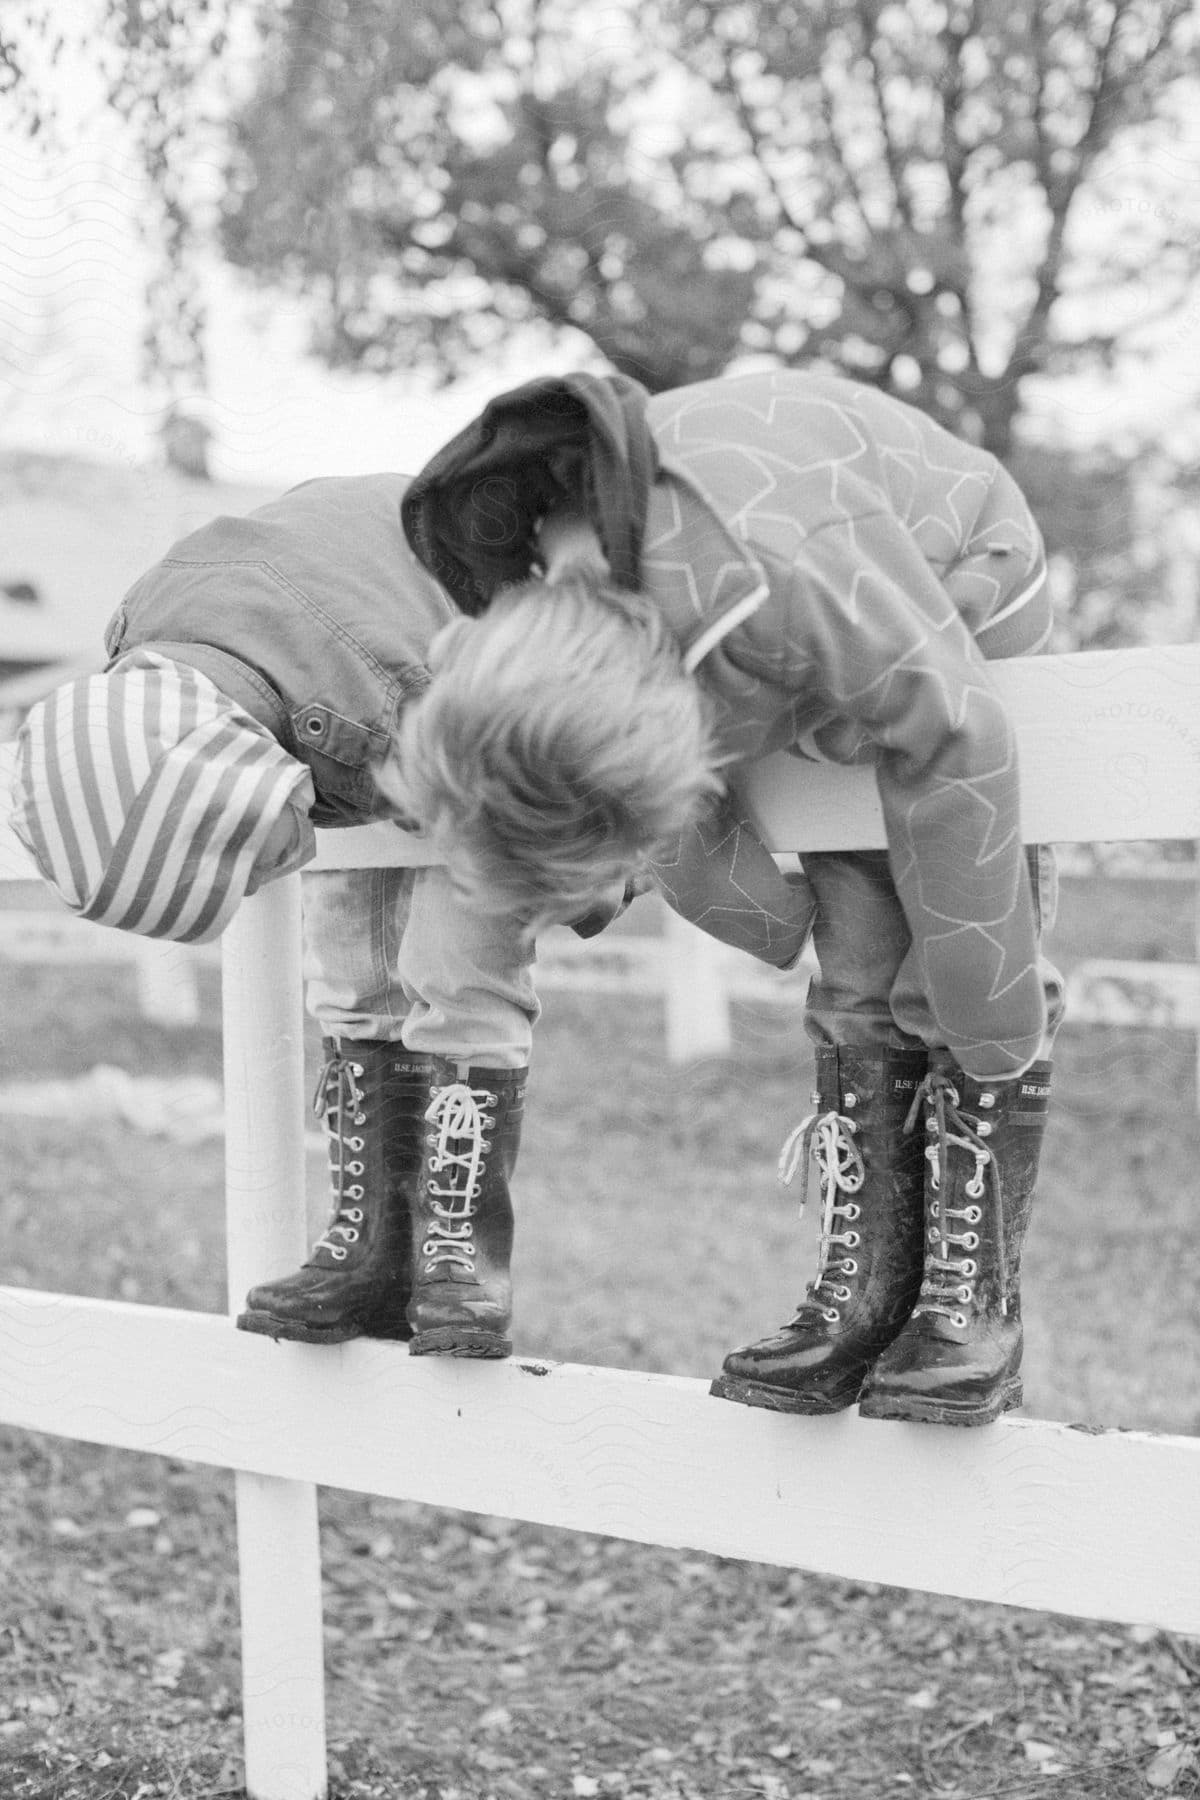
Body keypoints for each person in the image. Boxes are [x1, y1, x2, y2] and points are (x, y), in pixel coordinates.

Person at [390, 365, 1064, 1427]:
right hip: (769, 630)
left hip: (951, 566)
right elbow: (669, 801)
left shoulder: (780, 571)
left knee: (951, 946)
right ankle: (870, 1292)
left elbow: (956, 737)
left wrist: (993, 1019)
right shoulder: (559, 622)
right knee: (855, 932)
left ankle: (969, 1298)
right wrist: (773, 920)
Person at [5, 471, 675, 1360]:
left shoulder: (399, 700)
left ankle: (458, 1254)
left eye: (252, 856)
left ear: (232, 777)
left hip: (491, 682)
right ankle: (370, 1245)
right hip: (336, 659)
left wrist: (603, 868)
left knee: (458, 960)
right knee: (351, 960)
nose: (269, 875)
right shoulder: (149, 642)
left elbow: (545, 796)